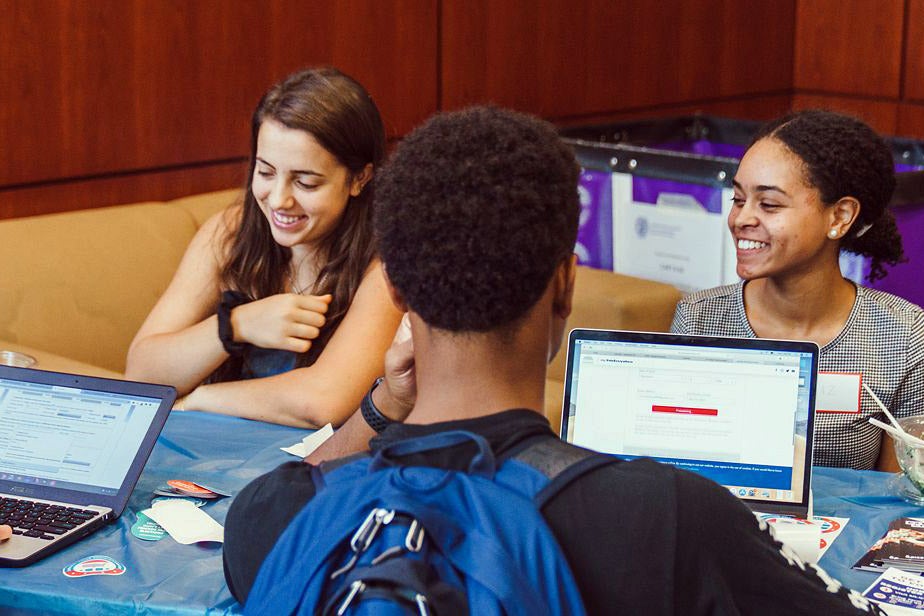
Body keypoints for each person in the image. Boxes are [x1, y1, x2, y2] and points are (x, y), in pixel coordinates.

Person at [223, 106, 881, 614]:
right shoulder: (669, 518)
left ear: (394, 289)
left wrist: (377, 408)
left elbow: (295, 486)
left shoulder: (270, 519)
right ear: (565, 285)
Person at [125, 68, 402, 428]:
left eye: (305, 182)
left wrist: (202, 399)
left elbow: (323, 401)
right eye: (266, 172)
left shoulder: (384, 263)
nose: (279, 200)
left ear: (359, 178)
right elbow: (140, 372)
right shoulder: (230, 232)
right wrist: (234, 326)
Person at [671, 109, 924, 471]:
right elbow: (681, 467)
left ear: (839, 217)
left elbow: (898, 497)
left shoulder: (904, 337)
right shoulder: (699, 317)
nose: (741, 219)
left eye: (769, 204)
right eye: (738, 200)